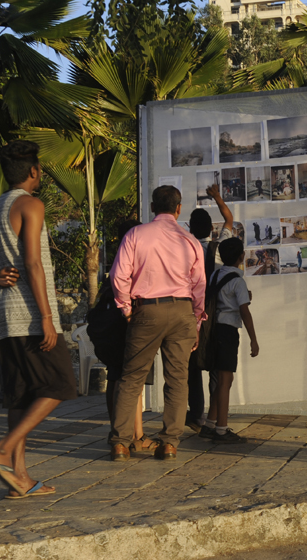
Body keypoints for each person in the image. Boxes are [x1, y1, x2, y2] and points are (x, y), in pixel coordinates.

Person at [0, 140, 78, 499]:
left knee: (20, 397)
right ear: (34, 171)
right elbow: (34, 263)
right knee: (61, 383)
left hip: (4, 317)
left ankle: (18, 477)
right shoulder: (31, 205)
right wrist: (48, 318)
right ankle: (2, 450)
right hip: (31, 315)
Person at [108, 185, 207, 461]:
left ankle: (120, 443)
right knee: (177, 380)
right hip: (182, 311)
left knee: (131, 378)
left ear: (152, 207)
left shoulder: (136, 235)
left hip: (147, 311)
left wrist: (126, 308)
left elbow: (118, 276)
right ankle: (170, 443)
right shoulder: (190, 241)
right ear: (179, 208)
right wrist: (196, 321)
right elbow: (199, 285)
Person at [86, 219, 159, 453]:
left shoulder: (116, 263)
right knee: (132, 380)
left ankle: (117, 433)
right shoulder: (134, 261)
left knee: (116, 378)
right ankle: (134, 436)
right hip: (129, 325)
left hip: (109, 328)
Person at [200, 238, 259, 443]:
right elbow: (244, 311)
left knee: (223, 379)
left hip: (214, 329)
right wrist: (254, 340)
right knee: (225, 380)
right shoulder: (238, 281)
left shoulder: (216, 274)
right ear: (241, 257)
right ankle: (221, 429)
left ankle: (210, 423)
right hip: (228, 331)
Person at [185, 184, 234, 433]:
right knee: (215, 365)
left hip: (192, 314)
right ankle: (214, 418)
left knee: (192, 365)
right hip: (216, 314)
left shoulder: (185, 251)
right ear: (212, 229)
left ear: (190, 229)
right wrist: (216, 197)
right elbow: (229, 218)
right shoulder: (219, 248)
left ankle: (196, 414)